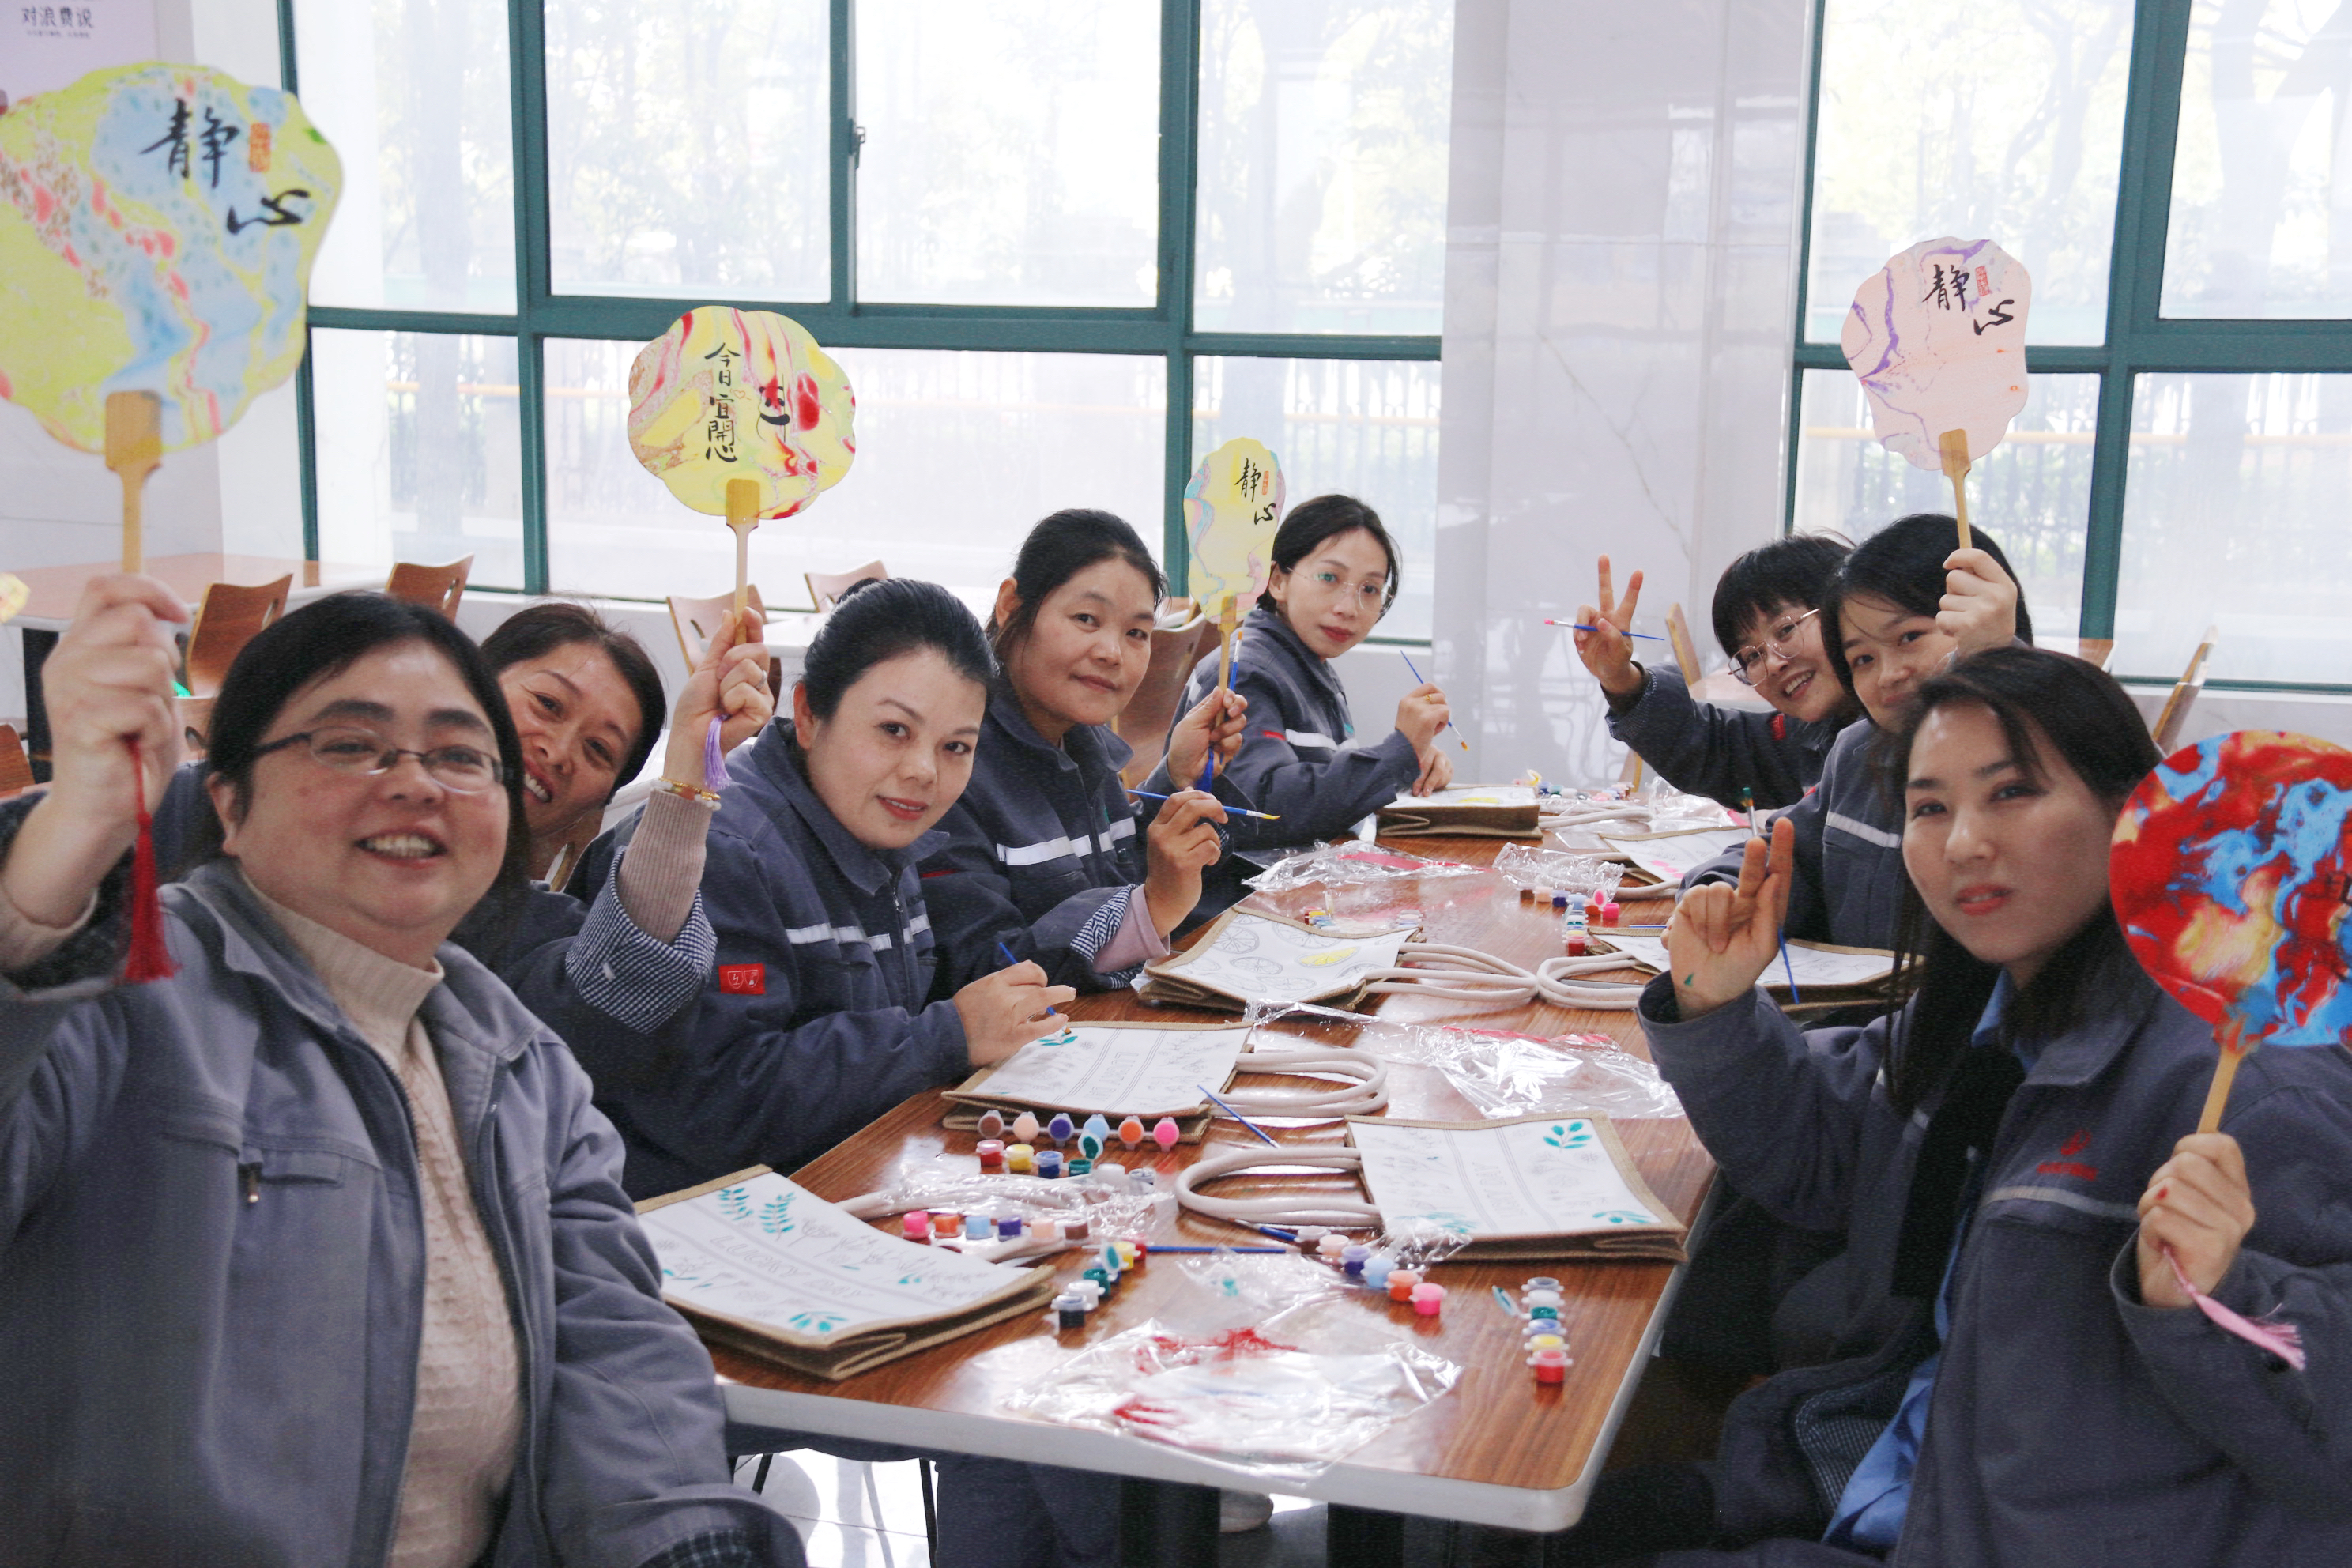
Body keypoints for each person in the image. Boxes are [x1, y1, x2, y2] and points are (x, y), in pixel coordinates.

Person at [0, 578, 799, 1567]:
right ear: (226, 798)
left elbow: (619, 1354)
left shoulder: (520, 1066)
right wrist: (62, 848)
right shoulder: (126, 1000)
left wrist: (685, 1546)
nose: (417, 783)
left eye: (461, 757)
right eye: (352, 744)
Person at [1541, 646, 2352, 1566]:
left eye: (2011, 792)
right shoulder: (1994, 1012)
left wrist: (2221, 1302)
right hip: (1889, 1468)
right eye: (1929, 807)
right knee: (1528, 1535)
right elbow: (1822, 1158)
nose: (1963, 841)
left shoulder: (2251, 1087)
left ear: (2133, 811)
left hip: (2000, 1536)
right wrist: (1718, 1010)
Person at [154, 594, 775, 1100]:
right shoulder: (191, 825)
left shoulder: (510, 950)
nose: (556, 750)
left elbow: (605, 1017)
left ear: (593, 811)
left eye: (597, 751)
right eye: (546, 704)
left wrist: (687, 777)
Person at [597, 576, 1075, 1199]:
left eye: (956, 746)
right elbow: (721, 1099)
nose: (924, 772)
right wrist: (944, 1035)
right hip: (710, 1223)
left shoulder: (876, 821)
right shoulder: (723, 851)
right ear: (807, 714)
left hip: (844, 1181)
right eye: (894, 730)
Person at [922, 508, 1247, 994]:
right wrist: (1152, 907)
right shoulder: (950, 760)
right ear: (1011, 606)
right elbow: (983, 971)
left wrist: (1175, 779)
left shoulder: (1081, 742)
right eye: (1086, 619)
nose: (1112, 653)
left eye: (1136, 633)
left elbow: (1110, 874)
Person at [1683, 514, 2029, 952]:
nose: (1888, 675)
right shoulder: (1857, 753)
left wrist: (1996, 659)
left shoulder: (2039, 751)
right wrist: (1721, 890)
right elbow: (1793, 854)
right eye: (1862, 659)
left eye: (1909, 637)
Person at [1166, 494, 1453, 916]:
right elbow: (1267, 809)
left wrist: (1411, 761)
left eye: (1370, 589)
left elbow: (1316, 784)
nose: (1348, 607)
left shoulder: (1305, 662)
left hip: (1293, 901)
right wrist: (1396, 754)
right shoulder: (1249, 670)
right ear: (1277, 581)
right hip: (1228, 915)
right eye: (1329, 578)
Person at [1577, 534, 1859, 811]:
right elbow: (1716, 749)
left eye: (1786, 630)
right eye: (1752, 656)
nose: (1773, 664)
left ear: (1850, 608)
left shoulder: (1880, 751)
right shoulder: (1811, 733)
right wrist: (1620, 678)